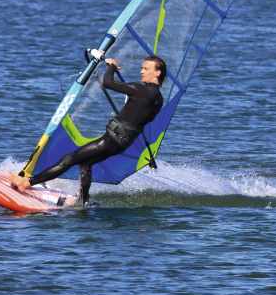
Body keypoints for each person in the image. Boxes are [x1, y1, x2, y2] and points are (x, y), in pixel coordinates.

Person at [11, 54, 165, 206]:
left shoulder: (139, 90)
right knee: (86, 164)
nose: (142, 71)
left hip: (111, 140)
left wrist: (111, 66)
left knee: (69, 159)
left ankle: (27, 182)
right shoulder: (158, 99)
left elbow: (108, 82)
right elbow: (147, 119)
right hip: (122, 143)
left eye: (146, 68)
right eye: (142, 68)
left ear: (157, 72)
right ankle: (83, 200)